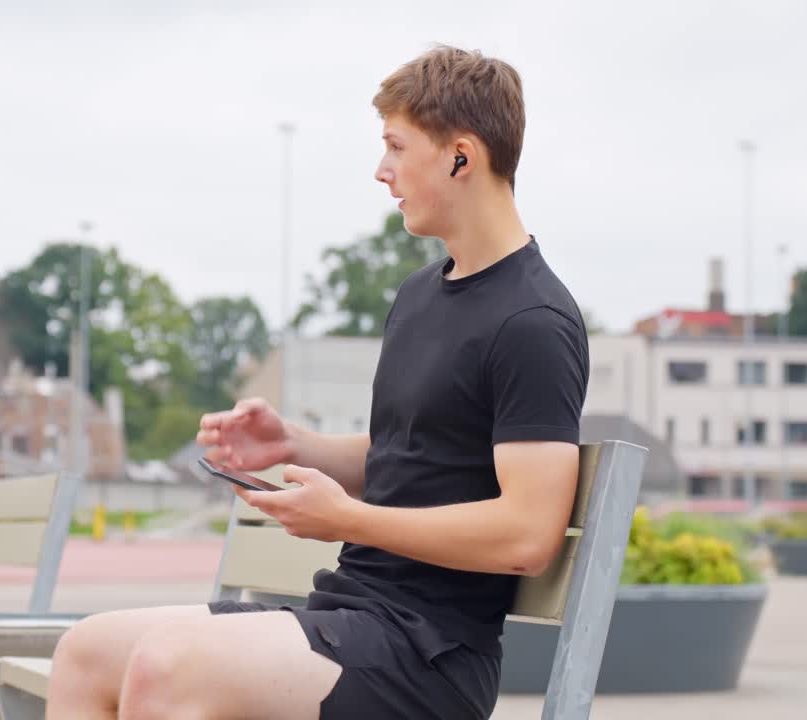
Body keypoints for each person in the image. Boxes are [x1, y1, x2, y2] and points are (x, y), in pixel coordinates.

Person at [47, 44, 589, 720]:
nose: (381, 171)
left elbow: (527, 536)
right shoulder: (422, 296)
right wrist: (293, 444)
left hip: (430, 655)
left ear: (461, 156)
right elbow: (411, 456)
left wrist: (348, 520)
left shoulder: (533, 320)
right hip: (351, 614)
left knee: (167, 668)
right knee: (86, 651)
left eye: (395, 147)